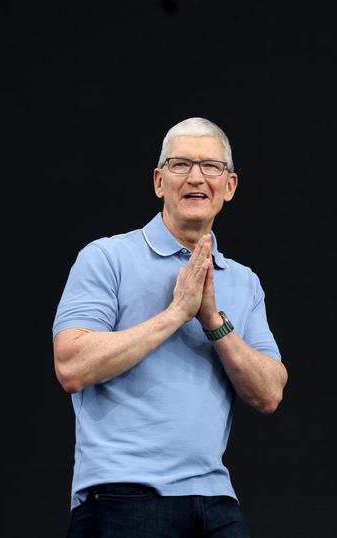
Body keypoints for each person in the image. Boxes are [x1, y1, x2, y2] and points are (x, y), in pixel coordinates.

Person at [52, 117, 288, 537]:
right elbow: (72, 365)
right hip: (124, 495)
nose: (196, 177)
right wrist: (177, 313)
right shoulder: (107, 257)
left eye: (210, 167)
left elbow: (269, 392)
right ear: (159, 181)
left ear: (229, 186)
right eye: (180, 165)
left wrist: (213, 320)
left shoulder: (243, 280)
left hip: (215, 498)